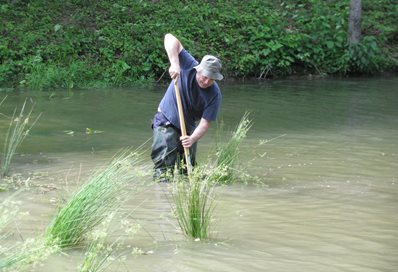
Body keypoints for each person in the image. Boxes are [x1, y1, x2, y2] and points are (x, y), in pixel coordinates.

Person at [151, 33, 223, 182]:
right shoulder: (188, 64)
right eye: (205, 76)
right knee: (164, 170)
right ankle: (161, 198)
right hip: (167, 119)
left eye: (212, 78)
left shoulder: (214, 94)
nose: (207, 80)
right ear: (199, 69)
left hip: (188, 129)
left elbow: (205, 123)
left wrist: (192, 139)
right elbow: (169, 38)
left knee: (188, 171)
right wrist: (175, 63)